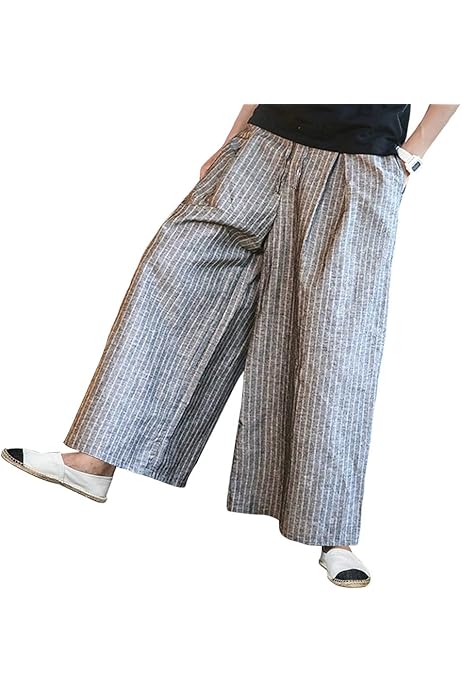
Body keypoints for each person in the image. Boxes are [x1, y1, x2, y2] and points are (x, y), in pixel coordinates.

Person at [2, 104, 459, 588]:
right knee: (173, 275)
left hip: (357, 165)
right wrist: (232, 140)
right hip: (261, 145)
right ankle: (94, 462)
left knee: (335, 343)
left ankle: (334, 534)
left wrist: (410, 158)